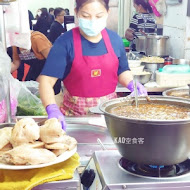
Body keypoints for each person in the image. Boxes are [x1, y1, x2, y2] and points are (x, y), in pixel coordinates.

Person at [38, 0, 147, 130]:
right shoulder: (65, 42)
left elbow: (122, 70)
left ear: (108, 13)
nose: (92, 21)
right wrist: (51, 108)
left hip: (109, 118)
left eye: (99, 16)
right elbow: (46, 81)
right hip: (75, 120)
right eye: (85, 16)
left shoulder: (115, 40)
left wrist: (131, 84)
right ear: (76, 12)